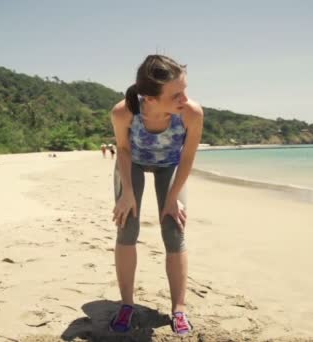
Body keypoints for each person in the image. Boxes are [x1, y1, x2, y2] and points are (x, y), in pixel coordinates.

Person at [109, 54, 203, 336]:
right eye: (176, 94)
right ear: (149, 98)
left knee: (174, 229)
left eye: (185, 90)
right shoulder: (123, 112)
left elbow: (187, 157)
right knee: (127, 226)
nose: (184, 99)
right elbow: (123, 151)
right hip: (132, 164)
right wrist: (127, 192)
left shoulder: (191, 114)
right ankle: (127, 305)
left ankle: (179, 308)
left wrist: (173, 197)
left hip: (171, 166)